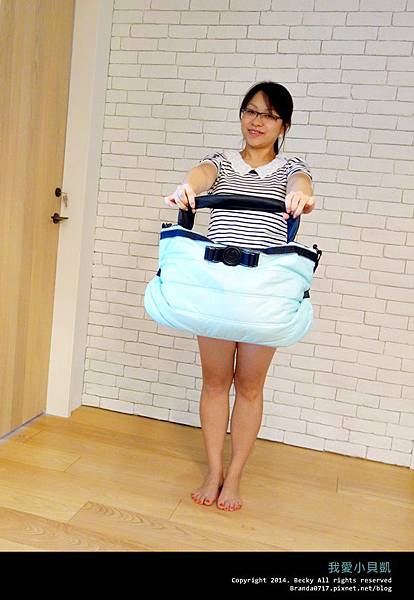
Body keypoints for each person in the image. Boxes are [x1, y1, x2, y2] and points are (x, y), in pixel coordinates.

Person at [164, 81, 315, 512]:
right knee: (215, 382)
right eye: (250, 111)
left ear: (283, 125)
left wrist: (301, 195)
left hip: (263, 295)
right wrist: (188, 187)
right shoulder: (222, 161)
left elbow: (301, 183)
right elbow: (201, 175)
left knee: (249, 387)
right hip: (214, 289)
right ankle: (213, 471)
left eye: (268, 115)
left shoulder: (290, 168)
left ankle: (234, 477)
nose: (256, 121)